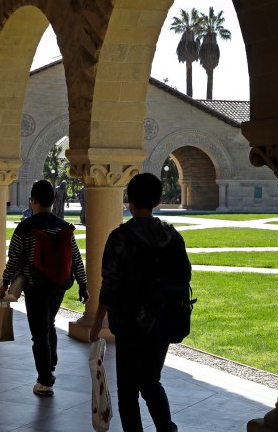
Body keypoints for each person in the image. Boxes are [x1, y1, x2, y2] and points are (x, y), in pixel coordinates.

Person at [89, 172, 191, 432]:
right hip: (164, 319)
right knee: (151, 381)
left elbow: (110, 285)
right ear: (157, 200)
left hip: (130, 322)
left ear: (129, 201)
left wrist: (97, 322)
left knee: (128, 390)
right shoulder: (172, 236)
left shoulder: (121, 237)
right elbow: (185, 274)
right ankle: (167, 428)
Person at [0, 180, 88, 397]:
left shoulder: (25, 228)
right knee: (49, 323)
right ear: (54, 200)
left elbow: (14, 259)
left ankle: (45, 380)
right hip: (59, 286)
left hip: (35, 286)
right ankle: (51, 361)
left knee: (38, 334)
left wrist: (5, 282)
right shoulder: (63, 227)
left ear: (33, 201)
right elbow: (76, 257)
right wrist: (83, 285)